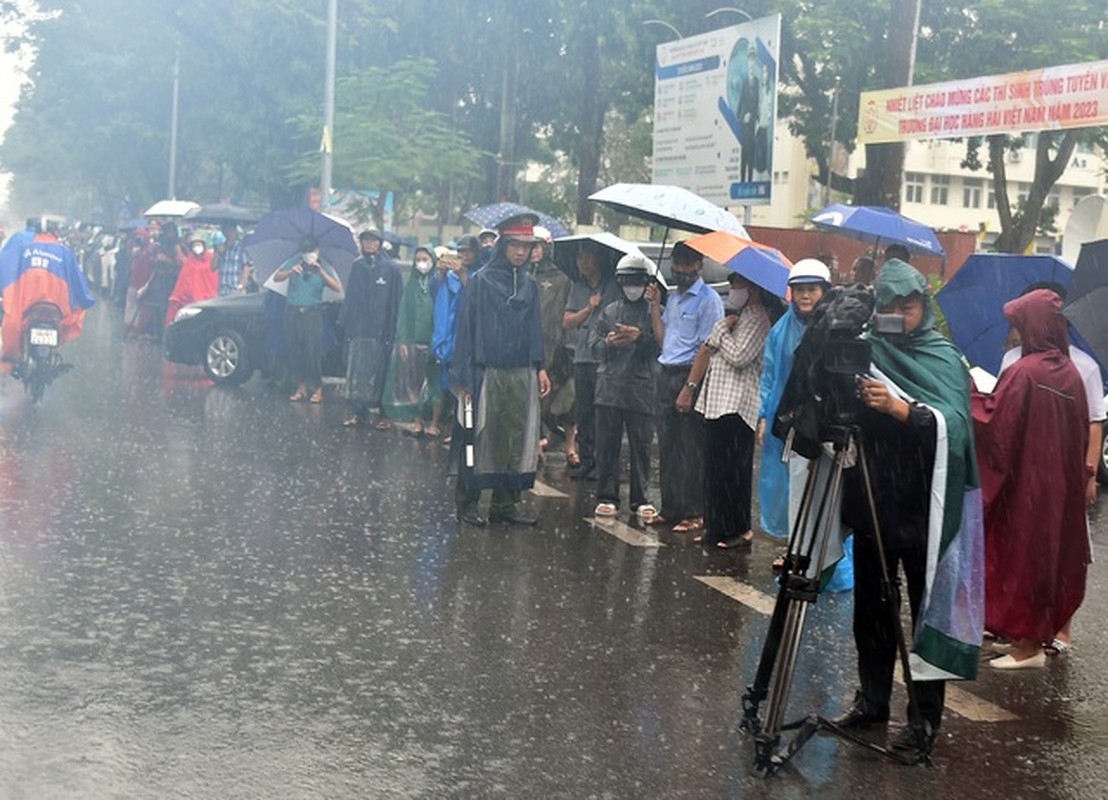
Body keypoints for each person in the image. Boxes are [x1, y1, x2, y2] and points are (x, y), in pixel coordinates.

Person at [834, 258, 983, 758]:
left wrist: (902, 409)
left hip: (924, 507)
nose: (900, 315)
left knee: (925, 612)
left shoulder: (942, 356)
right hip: (874, 498)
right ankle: (872, 700)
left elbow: (957, 428)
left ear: (925, 305)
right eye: (889, 307)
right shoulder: (865, 349)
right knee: (870, 612)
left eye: (909, 306)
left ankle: (923, 721)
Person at [973, 289, 1091, 669]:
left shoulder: (1024, 372)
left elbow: (996, 426)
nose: (1016, 335)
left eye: (1019, 326)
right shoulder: (1070, 373)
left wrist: (968, 393)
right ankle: (1029, 639)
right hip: (1057, 488)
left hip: (1026, 485)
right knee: (1046, 562)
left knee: (1020, 561)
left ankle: (1028, 648)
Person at [450, 218, 551, 527]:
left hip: (520, 371)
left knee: (514, 437)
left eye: (526, 246)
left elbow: (536, 327)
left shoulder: (530, 285)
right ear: (504, 246)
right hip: (485, 370)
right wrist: (464, 377)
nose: (521, 252)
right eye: (515, 245)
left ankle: (505, 505)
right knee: (474, 435)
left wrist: (540, 366)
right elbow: (464, 330)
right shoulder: (480, 281)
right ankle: (467, 502)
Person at [676, 273, 771, 549]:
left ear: (752, 287)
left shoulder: (758, 318)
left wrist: (719, 332)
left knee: (734, 471)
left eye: (737, 285)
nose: (733, 291)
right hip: (718, 403)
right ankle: (716, 526)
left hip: (738, 406)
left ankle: (738, 529)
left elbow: (740, 357)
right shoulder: (738, 317)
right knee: (715, 469)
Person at [646, 240, 725, 533]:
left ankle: (695, 511)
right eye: (677, 264)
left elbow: (708, 347)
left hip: (690, 376)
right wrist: (655, 307)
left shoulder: (708, 300)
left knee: (691, 448)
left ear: (699, 265)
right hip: (666, 372)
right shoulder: (675, 299)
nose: (681, 270)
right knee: (668, 446)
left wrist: (690, 387)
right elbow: (661, 339)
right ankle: (671, 507)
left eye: (687, 265)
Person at [757, 258, 831, 540]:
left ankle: (825, 553)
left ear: (825, 291)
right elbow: (770, 375)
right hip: (785, 417)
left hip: (822, 417)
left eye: (812, 288)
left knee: (821, 484)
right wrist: (764, 415)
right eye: (799, 289)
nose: (805, 295)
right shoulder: (779, 331)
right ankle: (794, 544)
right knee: (785, 483)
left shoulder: (833, 328)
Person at [589, 252, 658, 521]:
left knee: (641, 448)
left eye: (637, 282)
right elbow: (592, 345)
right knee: (607, 447)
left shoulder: (655, 313)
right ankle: (607, 496)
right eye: (627, 282)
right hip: (609, 389)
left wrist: (640, 338)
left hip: (641, 390)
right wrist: (608, 342)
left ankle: (640, 498)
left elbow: (661, 348)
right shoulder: (609, 311)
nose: (633, 287)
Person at [0, 221, 94, 370]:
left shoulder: (24, 249)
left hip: (28, 305)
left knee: (13, 322)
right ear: (56, 232)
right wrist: (85, 299)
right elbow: (77, 280)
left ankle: (13, 359)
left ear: (36, 233)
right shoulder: (65, 252)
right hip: (57, 307)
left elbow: (6, 265)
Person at [562, 239, 620, 479]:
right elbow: (566, 322)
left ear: (599, 258)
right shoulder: (577, 286)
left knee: (604, 414)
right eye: (579, 258)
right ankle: (586, 460)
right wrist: (588, 308)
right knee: (584, 412)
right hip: (582, 357)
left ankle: (603, 464)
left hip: (606, 359)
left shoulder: (614, 287)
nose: (582, 262)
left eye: (587, 256)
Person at [337, 229, 402, 427]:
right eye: (365, 240)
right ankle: (359, 412)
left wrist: (395, 329)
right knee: (359, 372)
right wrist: (345, 323)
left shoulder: (390, 268)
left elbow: (396, 301)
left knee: (383, 372)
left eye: (373, 241)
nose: (369, 244)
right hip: (360, 330)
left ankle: (384, 415)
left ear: (380, 244)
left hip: (383, 331)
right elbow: (351, 298)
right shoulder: (358, 266)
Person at [272, 236, 343, 404]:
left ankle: (317, 387)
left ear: (317, 251)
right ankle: (301, 386)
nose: (308, 255)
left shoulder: (322, 267)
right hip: (293, 311)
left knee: (312, 351)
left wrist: (321, 273)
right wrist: (291, 272)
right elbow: (277, 277)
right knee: (295, 350)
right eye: (305, 252)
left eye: (311, 251)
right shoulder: (294, 263)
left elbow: (337, 287)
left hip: (312, 312)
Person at [382, 245, 443, 436]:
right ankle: (418, 421)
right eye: (418, 259)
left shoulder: (439, 283)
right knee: (415, 384)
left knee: (435, 385)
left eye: (425, 259)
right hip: (413, 341)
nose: (421, 263)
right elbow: (403, 313)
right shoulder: (412, 284)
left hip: (435, 342)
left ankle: (434, 422)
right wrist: (402, 340)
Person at [530, 226, 576, 462]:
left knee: (567, 402)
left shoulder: (563, 277)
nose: (532, 251)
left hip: (560, 346)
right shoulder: (525, 276)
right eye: (529, 246)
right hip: (535, 347)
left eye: (536, 246)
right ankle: (536, 445)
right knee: (536, 401)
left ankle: (570, 446)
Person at [165, 233, 218, 328]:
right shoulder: (189, 263)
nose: (197, 247)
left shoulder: (211, 258)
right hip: (193, 299)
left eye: (199, 244)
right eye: (194, 245)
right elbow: (184, 282)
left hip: (211, 297)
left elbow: (214, 276)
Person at [215, 223, 253, 296]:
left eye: (231, 230)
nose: (228, 233)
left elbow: (246, 268)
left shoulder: (241, 247)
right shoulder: (220, 247)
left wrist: (241, 286)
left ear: (235, 231)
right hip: (222, 290)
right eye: (226, 230)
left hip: (235, 289)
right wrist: (218, 253)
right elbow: (213, 267)